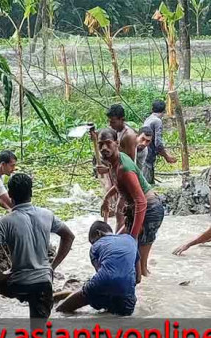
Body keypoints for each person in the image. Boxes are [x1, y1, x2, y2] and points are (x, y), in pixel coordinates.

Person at [0, 173, 75, 322]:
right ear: (31, 193)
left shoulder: (5, 221)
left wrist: (0, 276)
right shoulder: (47, 214)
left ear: (10, 194)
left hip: (18, 283)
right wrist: (51, 267)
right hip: (43, 284)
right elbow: (69, 237)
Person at [98, 129, 164, 278]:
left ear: (116, 143)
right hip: (137, 209)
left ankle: (148, 291)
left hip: (150, 210)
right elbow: (119, 185)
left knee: (140, 265)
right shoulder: (113, 162)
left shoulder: (124, 168)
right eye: (100, 144)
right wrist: (106, 199)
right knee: (117, 243)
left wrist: (133, 236)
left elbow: (141, 201)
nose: (104, 148)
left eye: (108, 144)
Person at [57, 221, 139, 316]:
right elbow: (138, 278)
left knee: (62, 310)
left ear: (98, 233)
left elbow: (103, 277)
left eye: (92, 241)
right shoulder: (130, 240)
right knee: (118, 315)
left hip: (103, 283)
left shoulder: (95, 246)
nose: (93, 244)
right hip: (126, 292)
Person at [142, 100, 177, 184]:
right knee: (147, 185)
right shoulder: (157, 121)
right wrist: (166, 157)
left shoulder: (149, 119)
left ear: (152, 109)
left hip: (144, 154)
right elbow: (158, 143)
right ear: (164, 111)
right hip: (148, 156)